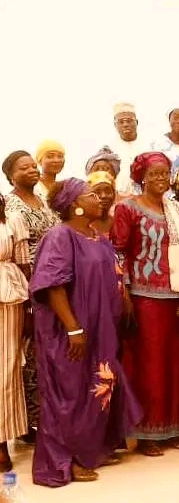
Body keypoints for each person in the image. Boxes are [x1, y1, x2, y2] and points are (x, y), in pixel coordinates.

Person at [30, 178, 142, 487]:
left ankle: (91, 449)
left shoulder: (98, 236)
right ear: (75, 204)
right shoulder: (60, 236)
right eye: (91, 195)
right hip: (72, 328)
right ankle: (66, 460)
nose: (100, 199)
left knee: (98, 387)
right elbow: (53, 285)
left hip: (102, 327)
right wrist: (73, 328)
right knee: (69, 392)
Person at [111, 152, 179, 457]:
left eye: (166, 173)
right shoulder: (128, 209)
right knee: (148, 366)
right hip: (142, 297)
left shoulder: (175, 210)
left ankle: (170, 428)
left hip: (172, 294)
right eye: (155, 174)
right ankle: (146, 432)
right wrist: (125, 294)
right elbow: (119, 253)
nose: (161, 179)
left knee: (173, 365)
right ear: (142, 176)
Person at [3, 150, 59, 443]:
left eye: (33, 166)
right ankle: (29, 423)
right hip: (30, 285)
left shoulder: (43, 200)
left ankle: (41, 417)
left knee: (45, 353)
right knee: (29, 355)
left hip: (55, 282)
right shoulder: (11, 205)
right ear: (11, 174)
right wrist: (28, 296)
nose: (33, 170)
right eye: (24, 168)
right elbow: (20, 255)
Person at [0, 195, 29, 471]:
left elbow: (24, 264)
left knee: (7, 368)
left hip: (8, 296)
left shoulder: (13, 218)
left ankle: (1, 443)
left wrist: (32, 307)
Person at [111, 103, 144, 196]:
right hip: (118, 198)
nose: (125, 125)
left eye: (129, 121)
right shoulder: (109, 150)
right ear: (115, 125)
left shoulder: (150, 146)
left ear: (136, 122)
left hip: (145, 198)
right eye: (121, 122)